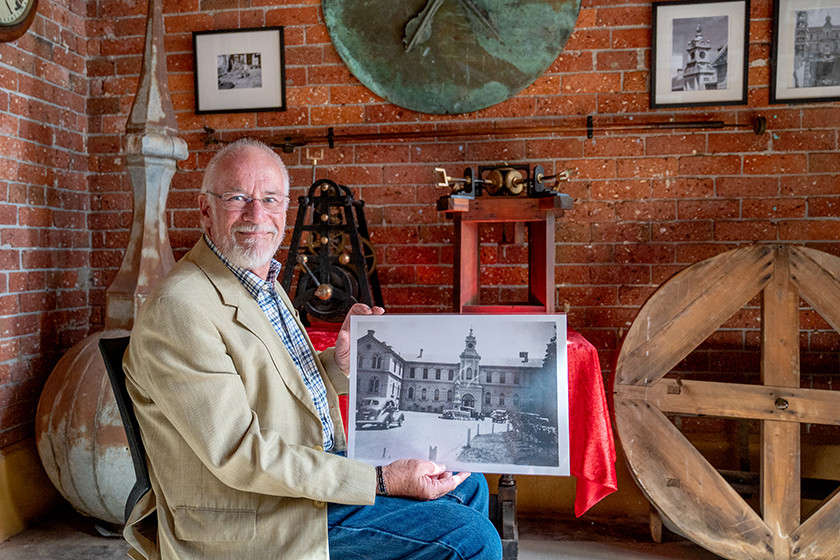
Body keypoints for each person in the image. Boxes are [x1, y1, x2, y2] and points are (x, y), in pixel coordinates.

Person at [122, 138, 503, 560]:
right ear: (205, 211)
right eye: (237, 198)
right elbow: (239, 452)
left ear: (285, 209)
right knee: (471, 538)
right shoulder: (180, 308)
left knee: (468, 482)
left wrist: (338, 365)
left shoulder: (259, 280)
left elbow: (274, 384)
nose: (256, 214)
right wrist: (380, 479)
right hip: (254, 515)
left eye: (270, 199)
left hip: (297, 482)